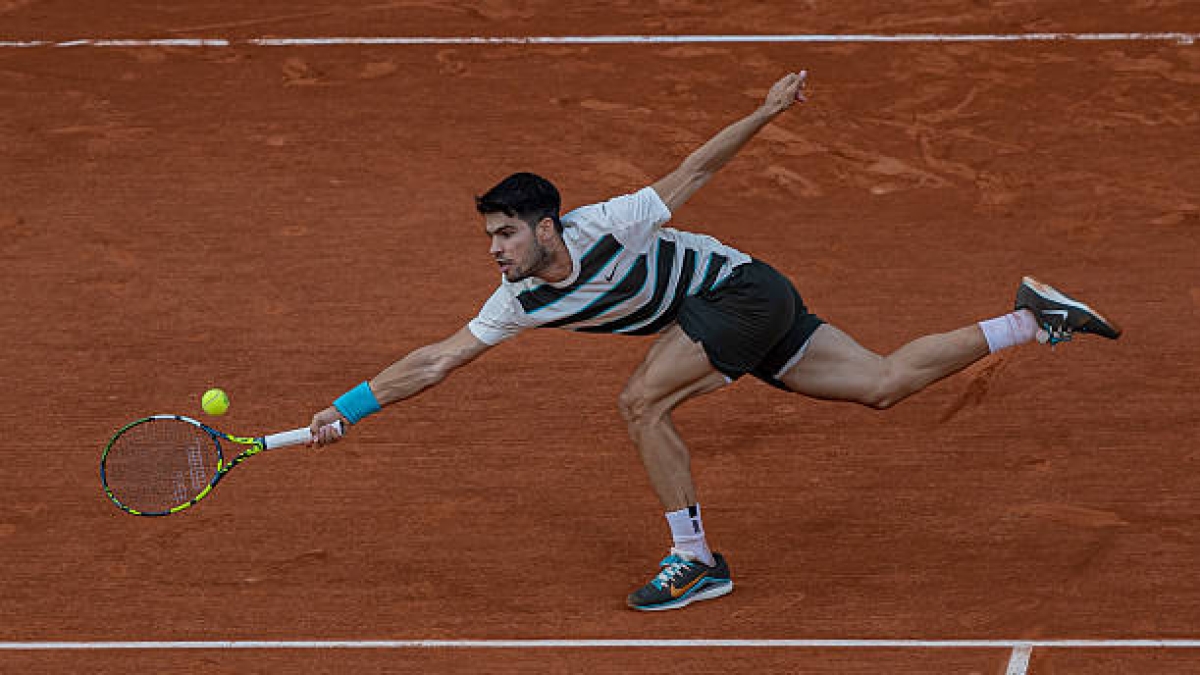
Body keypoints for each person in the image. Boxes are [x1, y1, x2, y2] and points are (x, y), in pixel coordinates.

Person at [308, 71, 1121, 612]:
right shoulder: (517, 299)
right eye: (491, 235)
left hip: (739, 294)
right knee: (882, 383)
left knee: (640, 401)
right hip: (747, 310)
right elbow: (436, 358)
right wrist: (347, 407)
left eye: (506, 232)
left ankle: (693, 558)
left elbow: (694, 171)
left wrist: (766, 112)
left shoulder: (610, 224)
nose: (495, 248)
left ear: (547, 225)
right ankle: (1030, 316)